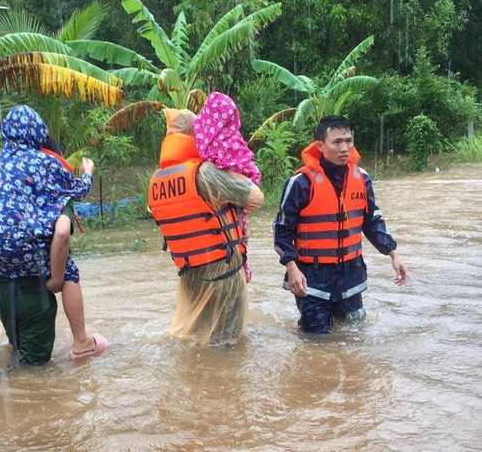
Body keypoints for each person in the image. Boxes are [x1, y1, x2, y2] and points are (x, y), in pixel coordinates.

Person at [0, 105, 108, 364]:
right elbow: (66, 218)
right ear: (39, 132)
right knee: (70, 271)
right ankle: (81, 342)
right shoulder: (45, 162)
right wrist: (88, 174)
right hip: (24, 259)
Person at [273, 115, 410, 334]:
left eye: (348, 141)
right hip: (312, 276)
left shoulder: (362, 178)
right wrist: (292, 268)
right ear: (320, 146)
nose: (344, 147)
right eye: (337, 142)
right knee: (315, 341)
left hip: (350, 273)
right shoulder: (300, 183)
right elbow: (281, 231)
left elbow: (372, 221)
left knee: (353, 334)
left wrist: (394, 254)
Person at [147, 108, 264, 346]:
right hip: (222, 273)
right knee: (226, 344)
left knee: (197, 337)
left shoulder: (157, 178)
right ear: (197, 134)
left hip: (188, 274)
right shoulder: (206, 173)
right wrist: (234, 165)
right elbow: (257, 198)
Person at [193, 92, 262, 282]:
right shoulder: (231, 144)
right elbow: (255, 197)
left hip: (197, 251)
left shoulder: (197, 148)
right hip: (228, 241)